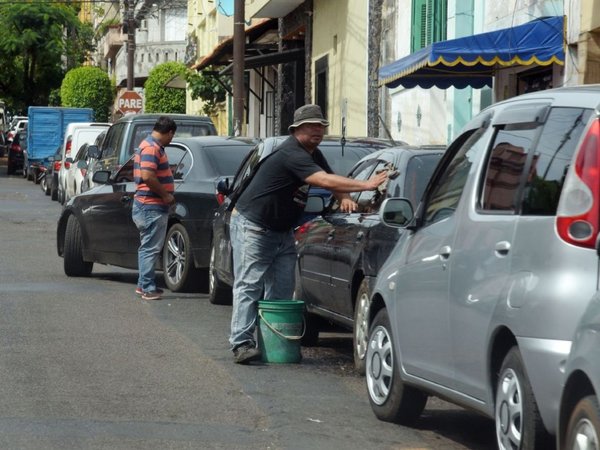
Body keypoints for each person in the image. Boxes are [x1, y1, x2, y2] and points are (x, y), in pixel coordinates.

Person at [229, 104, 388, 364]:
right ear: (296, 130)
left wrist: (345, 196)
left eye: (321, 126)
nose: (317, 130)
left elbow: (328, 177)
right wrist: (367, 184)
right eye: (311, 126)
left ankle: (272, 343)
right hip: (254, 226)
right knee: (249, 285)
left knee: (282, 288)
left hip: (282, 230)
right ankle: (241, 343)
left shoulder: (313, 153)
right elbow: (322, 181)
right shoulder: (292, 153)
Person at [131, 116, 177, 301]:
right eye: (172, 136)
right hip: (151, 205)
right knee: (150, 248)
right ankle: (148, 288)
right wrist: (165, 195)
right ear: (170, 132)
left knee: (147, 246)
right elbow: (148, 176)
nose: (171, 140)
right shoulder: (152, 147)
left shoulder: (148, 145)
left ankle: (143, 285)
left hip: (146, 205)